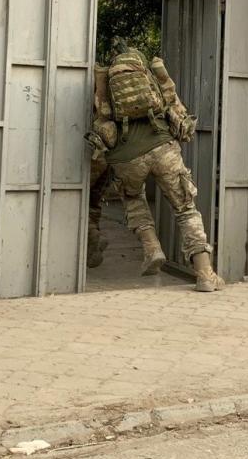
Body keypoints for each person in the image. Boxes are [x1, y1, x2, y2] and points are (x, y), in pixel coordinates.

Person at [90, 45, 219, 290]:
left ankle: (152, 248)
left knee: (133, 198)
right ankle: (204, 273)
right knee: (185, 208)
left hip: (127, 156)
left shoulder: (104, 81)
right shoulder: (154, 74)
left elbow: (101, 120)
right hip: (163, 148)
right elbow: (176, 108)